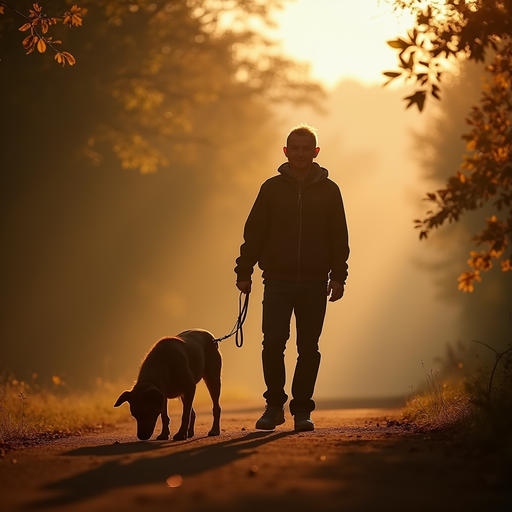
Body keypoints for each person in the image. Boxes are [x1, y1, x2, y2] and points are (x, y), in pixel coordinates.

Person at [235, 124, 350, 432]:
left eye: (305, 149)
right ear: (285, 151)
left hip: (315, 283)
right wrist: (244, 272)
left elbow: (339, 238)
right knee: (272, 343)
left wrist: (339, 277)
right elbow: (254, 233)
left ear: (315, 152)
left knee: (308, 348)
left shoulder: (330, 191)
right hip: (277, 281)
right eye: (294, 149)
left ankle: (302, 411)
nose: (300, 154)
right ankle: (274, 406)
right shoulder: (271, 189)